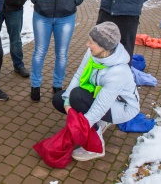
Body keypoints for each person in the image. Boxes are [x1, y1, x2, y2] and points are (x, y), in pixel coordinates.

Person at [52, 22, 140, 161]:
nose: (87, 44)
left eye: (91, 42)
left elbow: (100, 107)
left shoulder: (118, 72)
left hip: (123, 107)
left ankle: (96, 146)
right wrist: (67, 102)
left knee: (78, 97)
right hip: (102, 97)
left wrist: (80, 127)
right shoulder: (93, 53)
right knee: (59, 99)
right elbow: (79, 74)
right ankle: (98, 122)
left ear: (103, 47)